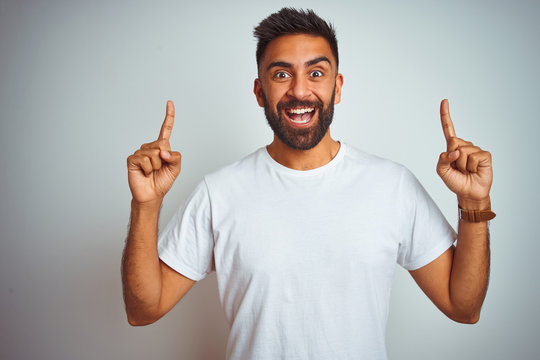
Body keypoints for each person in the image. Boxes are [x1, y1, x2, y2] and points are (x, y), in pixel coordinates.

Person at [122, 7, 494, 360]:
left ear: (338, 86)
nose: (299, 91)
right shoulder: (219, 192)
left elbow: (463, 307)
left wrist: (474, 204)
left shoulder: (392, 185)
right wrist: (146, 205)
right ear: (259, 91)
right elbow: (143, 310)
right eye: (281, 74)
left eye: (316, 73)